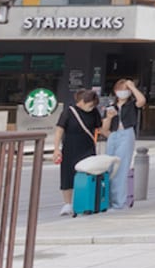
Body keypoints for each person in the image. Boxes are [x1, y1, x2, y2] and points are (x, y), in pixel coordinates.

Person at [53, 87, 104, 216]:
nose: (91, 107)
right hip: (70, 146)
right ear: (82, 101)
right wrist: (56, 149)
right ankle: (67, 204)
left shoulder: (94, 113)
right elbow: (59, 130)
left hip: (87, 147)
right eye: (90, 104)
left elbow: (100, 128)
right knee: (67, 174)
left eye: (93, 105)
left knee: (88, 174)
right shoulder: (68, 112)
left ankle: (87, 201)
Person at [103, 78, 145, 209]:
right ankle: (107, 200)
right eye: (121, 89)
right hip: (113, 135)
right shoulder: (111, 106)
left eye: (125, 90)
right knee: (108, 167)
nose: (123, 92)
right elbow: (104, 129)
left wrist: (132, 87)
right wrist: (109, 118)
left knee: (121, 167)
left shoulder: (132, 104)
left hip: (126, 133)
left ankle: (119, 202)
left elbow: (142, 101)